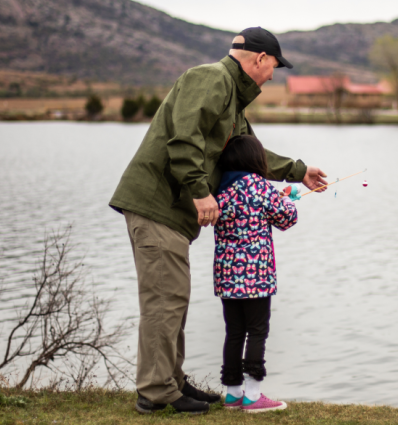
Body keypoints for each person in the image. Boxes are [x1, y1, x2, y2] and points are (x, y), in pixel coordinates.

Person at [109, 27, 327, 415]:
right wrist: (198, 189)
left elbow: (254, 157)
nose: (274, 75)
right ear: (259, 59)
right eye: (274, 66)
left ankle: (170, 381)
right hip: (158, 203)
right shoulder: (211, 78)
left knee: (173, 298)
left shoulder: (232, 105)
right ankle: (157, 391)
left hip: (173, 214)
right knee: (164, 300)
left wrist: (299, 171)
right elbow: (183, 137)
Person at [214, 135, 296, 413]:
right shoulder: (260, 186)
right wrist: (288, 200)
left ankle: (232, 393)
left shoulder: (219, 190)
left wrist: (279, 199)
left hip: (227, 277)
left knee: (234, 331)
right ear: (255, 159)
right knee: (258, 330)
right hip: (256, 277)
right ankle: (252, 394)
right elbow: (287, 218)